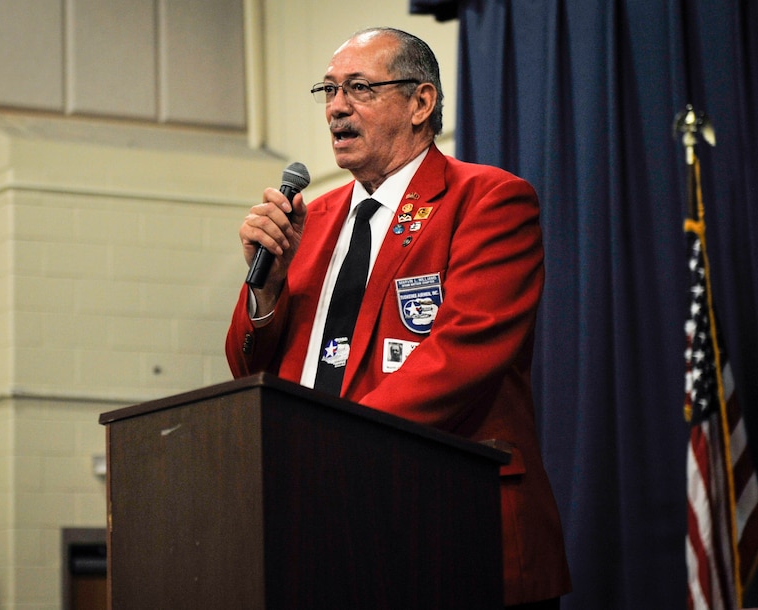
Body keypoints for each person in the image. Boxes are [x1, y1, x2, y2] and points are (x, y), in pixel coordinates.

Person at [225, 26, 571, 608]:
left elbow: (461, 355)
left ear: (421, 102)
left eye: (359, 87)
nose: (336, 107)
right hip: (326, 529)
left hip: (452, 522)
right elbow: (248, 366)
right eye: (328, 90)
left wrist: (321, 444)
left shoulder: (488, 200)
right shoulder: (311, 219)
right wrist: (268, 287)